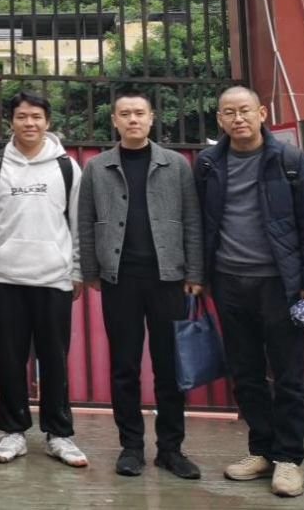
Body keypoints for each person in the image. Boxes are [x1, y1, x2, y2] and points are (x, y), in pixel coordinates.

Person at [194, 86, 304, 499]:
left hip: (280, 285)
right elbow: (200, 223)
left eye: (244, 110)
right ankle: (262, 450)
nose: (237, 118)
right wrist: (200, 274)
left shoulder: (289, 160)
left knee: (288, 374)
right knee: (246, 373)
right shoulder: (207, 164)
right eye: (228, 112)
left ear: (262, 113)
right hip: (229, 282)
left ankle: (288, 458)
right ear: (219, 119)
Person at [77, 89, 204, 479]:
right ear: (114, 120)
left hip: (169, 278)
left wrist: (195, 273)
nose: (132, 119)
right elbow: (85, 222)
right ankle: (130, 446)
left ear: (151, 118)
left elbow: (192, 220)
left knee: (170, 368)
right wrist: (90, 271)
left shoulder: (176, 165)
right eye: (125, 114)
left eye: (139, 113)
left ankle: (171, 449)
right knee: (124, 366)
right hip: (120, 280)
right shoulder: (97, 168)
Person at [0, 91, 89, 469]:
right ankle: (12, 431)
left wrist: (77, 269)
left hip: (54, 278)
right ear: (11, 121)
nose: (29, 123)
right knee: (10, 359)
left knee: (55, 360)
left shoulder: (67, 167)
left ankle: (59, 434)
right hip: (7, 278)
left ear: (47, 122)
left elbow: (78, 223)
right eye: (22, 116)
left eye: (36, 116)